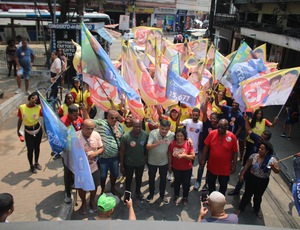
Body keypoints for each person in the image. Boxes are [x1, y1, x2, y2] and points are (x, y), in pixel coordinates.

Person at [228, 113, 272, 196]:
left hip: (257, 170)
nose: (260, 139)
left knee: (250, 184)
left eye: (263, 139)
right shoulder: (257, 139)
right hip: (249, 163)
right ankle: (237, 190)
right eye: (261, 137)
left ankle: (248, 195)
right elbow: (248, 130)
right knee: (242, 176)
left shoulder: (269, 149)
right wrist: (246, 120)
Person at [238, 141, 280, 218]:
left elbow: (277, 171)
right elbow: (247, 165)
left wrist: (273, 167)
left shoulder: (272, 160)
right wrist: (242, 174)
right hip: (252, 178)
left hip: (262, 181)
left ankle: (256, 209)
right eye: (260, 148)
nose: (259, 150)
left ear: (267, 151)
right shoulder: (254, 156)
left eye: (262, 149)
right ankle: (240, 208)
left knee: (258, 196)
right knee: (247, 194)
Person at [200, 119, 238, 195]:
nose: (220, 129)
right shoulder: (212, 134)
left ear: (227, 127)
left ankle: (220, 202)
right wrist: (202, 160)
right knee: (211, 184)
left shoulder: (232, 137)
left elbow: (235, 152)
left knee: (223, 186)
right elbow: (206, 147)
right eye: (219, 126)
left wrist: (234, 165)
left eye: (223, 127)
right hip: (212, 166)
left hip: (225, 168)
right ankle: (212, 199)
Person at [93, 109, 124, 195]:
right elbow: (89, 122)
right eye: (112, 118)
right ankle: (103, 190)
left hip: (115, 157)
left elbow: (122, 140)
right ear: (107, 117)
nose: (114, 120)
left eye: (116, 118)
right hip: (103, 157)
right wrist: (84, 110)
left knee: (115, 174)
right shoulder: (101, 123)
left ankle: (112, 188)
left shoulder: (120, 127)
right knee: (103, 176)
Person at [77, 119, 104, 215]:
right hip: (81, 168)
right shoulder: (76, 136)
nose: (90, 131)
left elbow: (101, 148)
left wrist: (95, 153)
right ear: (82, 127)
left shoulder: (96, 135)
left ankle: (92, 201)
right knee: (81, 187)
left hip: (94, 166)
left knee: (94, 185)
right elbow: (71, 153)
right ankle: (83, 203)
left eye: (92, 128)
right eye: (88, 129)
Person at [61, 104, 86, 203]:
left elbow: (83, 128)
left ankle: (76, 185)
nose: (77, 117)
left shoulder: (79, 119)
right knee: (67, 172)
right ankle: (67, 193)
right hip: (67, 151)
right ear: (69, 114)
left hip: (78, 150)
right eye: (74, 115)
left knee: (76, 170)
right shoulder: (62, 122)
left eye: (77, 115)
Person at [146, 119, 174, 204]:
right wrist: (157, 143)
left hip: (164, 162)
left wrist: (189, 140)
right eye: (162, 128)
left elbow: (182, 137)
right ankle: (151, 194)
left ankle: (162, 195)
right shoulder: (153, 133)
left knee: (163, 180)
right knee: (151, 179)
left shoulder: (172, 135)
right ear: (159, 127)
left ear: (169, 129)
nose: (164, 131)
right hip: (152, 161)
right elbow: (147, 147)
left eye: (166, 129)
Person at [120, 119, 148, 200]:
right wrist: (121, 165)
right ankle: (127, 194)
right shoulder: (126, 136)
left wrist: (145, 159)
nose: (138, 128)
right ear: (132, 126)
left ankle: (138, 192)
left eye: (139, 127)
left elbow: (146, 149)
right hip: (129, 163)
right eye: (136, 127)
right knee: (128, 179)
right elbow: (122, 152)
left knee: (139, 178)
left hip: (140, 163)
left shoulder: (145, 135)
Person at [194, 98, 219, 190]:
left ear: (217, 120)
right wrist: (207, 102)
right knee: (201, 166)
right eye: (211, 118)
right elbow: (204, 112)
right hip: (202, 149)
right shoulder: (206, 123)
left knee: (210, 168)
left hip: (212, 151)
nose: (212, 120)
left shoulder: (219, 128)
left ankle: (207, 183)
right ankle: (198, 181)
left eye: (214, 119)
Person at [17, 92, 43, 174]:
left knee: (37, 147)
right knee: (30, 149)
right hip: (28, 132)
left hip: (38, 130)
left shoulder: (38, 108)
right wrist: (18, 130)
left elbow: (46, 114)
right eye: (33, 97)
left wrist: (42, 104)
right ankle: (31, 165)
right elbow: (20, 119)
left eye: (36, 99)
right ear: (29, 97)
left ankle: (36, 162)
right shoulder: (22, 107)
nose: (34, 99)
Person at [168, 128, 195, 205]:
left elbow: (193, 157)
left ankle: (185, 197)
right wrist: (169, 165)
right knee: (177, 182)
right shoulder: (172, 143)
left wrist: (184, 155)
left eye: (181, 136)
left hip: (187, 169)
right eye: (178, 136)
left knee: (186, 184)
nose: (179, 137)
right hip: (176, 168)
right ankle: (176, 195)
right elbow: (170, 154)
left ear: (184, 136)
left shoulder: (188, 143)